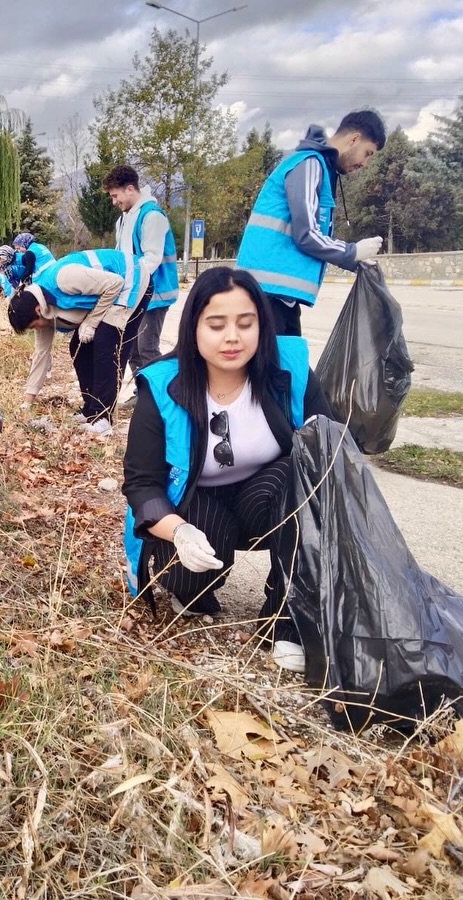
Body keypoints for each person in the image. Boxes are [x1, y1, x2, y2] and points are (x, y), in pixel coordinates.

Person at [121, 266, 333, 673]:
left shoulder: (290, 369)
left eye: (245, 323)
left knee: (303, 475)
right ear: (193, 328)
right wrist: (178, 532)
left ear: (262, 325)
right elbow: (142, 484)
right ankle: (195, 588)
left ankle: (286, 619)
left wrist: (319, 441)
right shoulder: (162, 385)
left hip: (265, 494)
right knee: (190, 580)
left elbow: (328, 448)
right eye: (216, 325)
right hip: (194, 504)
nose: (232, 337)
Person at [235, 109, 387, 336]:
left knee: (291, 367)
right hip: (264, 296)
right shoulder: (309, 165)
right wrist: (352, 251)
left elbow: (313, 235)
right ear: (354, 139)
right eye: (367, 153)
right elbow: (306, 235)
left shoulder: (321, 169)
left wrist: (353, 261)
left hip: (277, 296)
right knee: (283, 369)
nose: (364, 163)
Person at [8, 248, 143, 433]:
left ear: (38, 310)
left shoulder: (63, 278)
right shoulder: (41, 310)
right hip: (112, 291)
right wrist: (27, 402)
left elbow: (115, 283)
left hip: (131, 278)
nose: (37, 329)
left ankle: (102, 418)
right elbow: (41, 355)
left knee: (105, 344)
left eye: (34, 326)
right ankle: (90, 411)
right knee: (78, 346)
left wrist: (91, 323)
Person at [102, 165, 180, 406]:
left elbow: (151, 258)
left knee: (146, 348)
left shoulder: (151, 216)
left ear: (130, 189)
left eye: (116, 196)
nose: (114, 201)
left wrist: (128, 281)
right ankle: (144, 394)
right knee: (134, 349)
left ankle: (160, 399)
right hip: (135, 293)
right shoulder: (125, 218)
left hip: (154, 295)